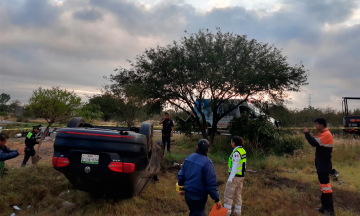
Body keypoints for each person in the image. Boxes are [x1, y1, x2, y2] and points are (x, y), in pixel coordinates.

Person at [177, 139, 222, 216]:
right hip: (198, 196)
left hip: (188, 195)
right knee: (198, 213)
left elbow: (180, 175)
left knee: (194, 212)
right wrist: (216, 199)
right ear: (208, 150)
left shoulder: (188, 158)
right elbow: (211, 184)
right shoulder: (208, 163)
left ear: (197, 147)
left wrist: (181, 188)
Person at [304, 118, 335, 216]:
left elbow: (314, 143)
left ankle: (331, 211)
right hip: (321, 164)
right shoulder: (322, 134)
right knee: (323, 187)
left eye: (316, 124)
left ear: (322, 125)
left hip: (324, 165)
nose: (315, 126)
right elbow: (315, 141)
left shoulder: (326, 134)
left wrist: (306, 133)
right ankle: (324, 207)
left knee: (326, 187)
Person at [224, 136, 246, 216]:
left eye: (231, 142)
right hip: (241, 177)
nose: (231, 143)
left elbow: (235, 167)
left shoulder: (236, 153)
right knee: (238, 195)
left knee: (228, 195)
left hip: (235, 177)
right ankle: (237, 213)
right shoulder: (242, 150)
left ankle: (226, 213)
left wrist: (230, 178)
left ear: (234, 143)